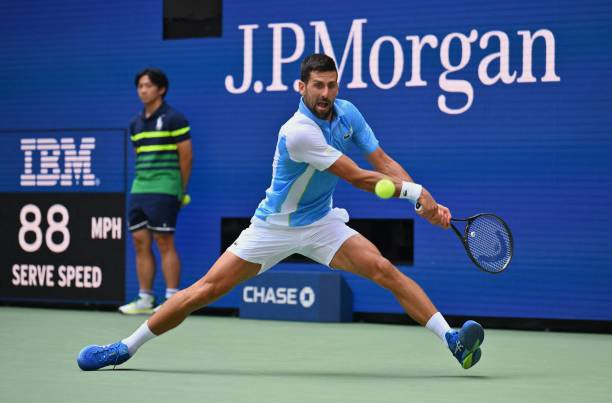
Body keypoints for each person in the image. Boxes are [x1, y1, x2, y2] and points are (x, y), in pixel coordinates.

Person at [77, 54, 483, 371]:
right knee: (204, 291)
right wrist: (417, 192)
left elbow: (382, 159)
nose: (326, 93)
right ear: (301, 87)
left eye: (332, 85)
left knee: (383, 268)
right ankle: (123, 348)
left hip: (321, 223)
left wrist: (420, 201)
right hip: (273, 227)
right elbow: (360, 177)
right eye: (318, 86)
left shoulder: (348, 113)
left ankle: (452, 340)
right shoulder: (297, 131)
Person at [118, 68, 193, 315]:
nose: (143, 90)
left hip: (165, 188)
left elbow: (186, 157)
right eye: (140, 86)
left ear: (161, 89)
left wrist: (180, 190)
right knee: (140, 242)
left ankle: (172, 299)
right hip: (140, 188)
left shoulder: (175, 118)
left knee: (164, 241)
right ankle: (145, 298)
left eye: (148, 85)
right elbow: (140, 156)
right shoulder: (135, 124)